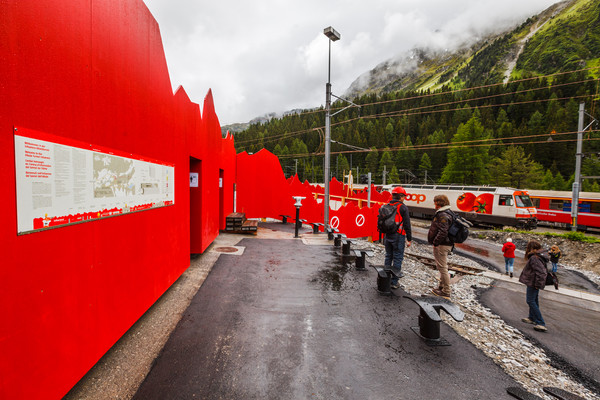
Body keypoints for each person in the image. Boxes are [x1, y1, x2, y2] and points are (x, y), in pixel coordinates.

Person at [384, 186, 412, 289]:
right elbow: (407, 224)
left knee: (388, 256)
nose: (404, 198)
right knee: (397, 258)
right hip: (399, 236)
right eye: (404, 196)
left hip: (388, 235)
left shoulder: (388, 205)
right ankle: (394, 282)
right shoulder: (402, 207)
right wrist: (409, 239)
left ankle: (385, 278)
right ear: (400, 196)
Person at [519, 240, 549, 332]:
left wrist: (537, 285)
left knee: (530, 301)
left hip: (533, 283)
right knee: (534, 300)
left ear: (530, 248)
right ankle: (532, 318)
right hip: (533, 282)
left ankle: (541, 323)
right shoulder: (539, 256)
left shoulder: (534, 258)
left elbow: (541, 273)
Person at [427, 194, 454, 298]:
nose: (434, 204)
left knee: (443, 268)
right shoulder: (448, 212)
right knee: (442, 266)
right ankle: (441, 287)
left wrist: (436, 242)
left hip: (442, 245)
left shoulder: (442, 215)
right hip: (446, 244)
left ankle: (446, 291)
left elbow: (443, 231)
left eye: (435, 202)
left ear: (438, 203)